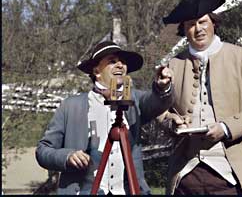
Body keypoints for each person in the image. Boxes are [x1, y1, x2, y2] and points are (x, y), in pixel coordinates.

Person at [158, 0, 242, 195]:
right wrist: (171, 122)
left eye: (202, 22)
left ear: (213, 23)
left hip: (230, 175)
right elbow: (160, 112)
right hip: (185, 175)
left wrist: (227, 128)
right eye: (191, 24)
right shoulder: (173, 64)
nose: (198, 29)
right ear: (183, 29)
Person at [36, 40, 174, 195]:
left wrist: (162, 87)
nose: (120, 65)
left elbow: (156, 102)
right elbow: (43, 151)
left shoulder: (135, 101)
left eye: (123, 62)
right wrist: (67, 156)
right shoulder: (71, 106)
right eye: (112, 61)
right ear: (96, 71)